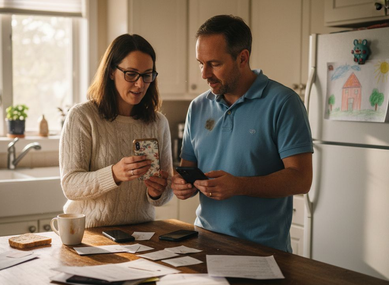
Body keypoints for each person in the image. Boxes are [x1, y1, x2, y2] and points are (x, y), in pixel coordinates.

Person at [171, 15, 313, 252]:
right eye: (200, 63)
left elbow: (301, 178)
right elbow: (189, 168)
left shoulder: (284, 103)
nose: (204, 74)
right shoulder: (197, 107)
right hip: (204, 242)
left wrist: (239, 185)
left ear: (242, 58)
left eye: (214, 64)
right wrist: (182, 185)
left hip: (264, 250)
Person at [59, 34, 173, 228]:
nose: (140, 84)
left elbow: (165, 193)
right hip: (90, 234)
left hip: (142, 233)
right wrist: (114, 174)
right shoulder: (83, 117)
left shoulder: (158, 122)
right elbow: (70, 185)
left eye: (147, 75)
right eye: (131, 74)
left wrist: (158, 191)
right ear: (111, 71)